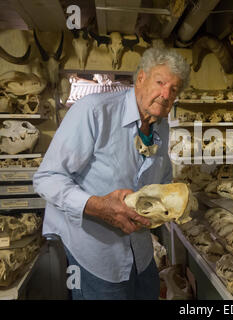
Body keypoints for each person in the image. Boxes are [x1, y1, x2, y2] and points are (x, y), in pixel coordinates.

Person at [33, 47, 191, 300]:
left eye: (173, 89)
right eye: (160, 82)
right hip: (95, 253)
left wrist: (173, 202)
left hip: (140, 251)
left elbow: (161, 180)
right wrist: (98, 206)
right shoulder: (94, 111)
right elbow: (47, 178)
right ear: (141, 78)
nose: (165, 94)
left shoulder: (161, 125)